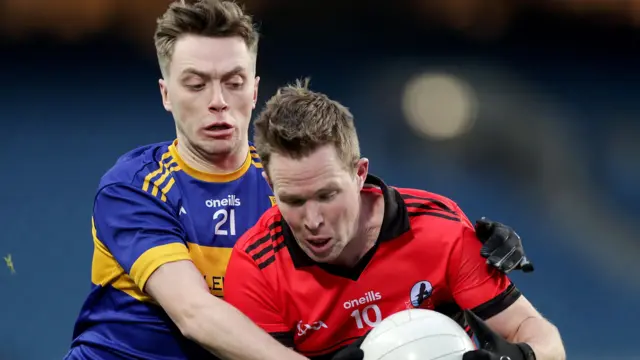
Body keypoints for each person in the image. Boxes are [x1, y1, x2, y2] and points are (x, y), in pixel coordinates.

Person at [64, 0, 533, 359]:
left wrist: (468, 241)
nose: (218, 101)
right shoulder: (134, 187)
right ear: (167, 95)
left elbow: (376, 219)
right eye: (195, 83)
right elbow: (195, 314)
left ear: (254, 87)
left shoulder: (288, 184)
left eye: (232, 80)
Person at [223, 79, 565, 360]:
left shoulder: (437, 230)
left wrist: (518, 358)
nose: (312, 220)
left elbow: (544, 341)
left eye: (327, 195)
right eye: (294, 200)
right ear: (270, 185)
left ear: (359, 174)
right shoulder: (255, 268)